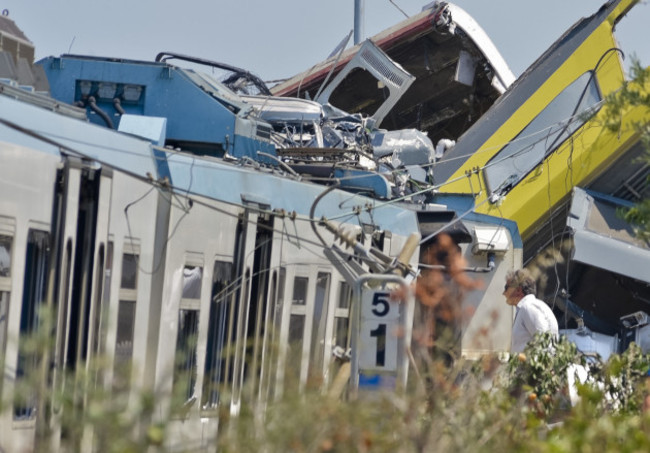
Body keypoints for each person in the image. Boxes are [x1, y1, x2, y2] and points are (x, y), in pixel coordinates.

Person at [503, 269, 558, 353]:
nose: (504, 293)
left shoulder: (528, 307)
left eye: (506, 288)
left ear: (518, 290)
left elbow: (544, 344)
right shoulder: (529, 307)